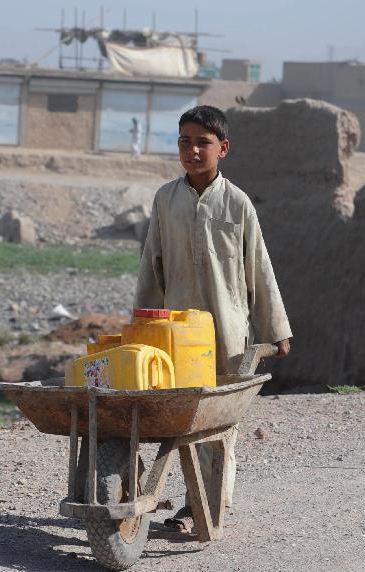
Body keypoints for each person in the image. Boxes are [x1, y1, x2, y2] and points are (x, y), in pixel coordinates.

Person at [135, 105, 292, 529]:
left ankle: (203, 508)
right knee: (179, 420)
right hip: (176, 336)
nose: (192, 150)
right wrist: (143, 327)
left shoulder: (237, 203)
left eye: (202, 143)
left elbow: (258, 268)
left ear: (223, 148)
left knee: (218, 426)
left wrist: (276, 329)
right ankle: (183, 502)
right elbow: (152, 264)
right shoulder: (165, 199)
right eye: (184, 141)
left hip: (228, 335)